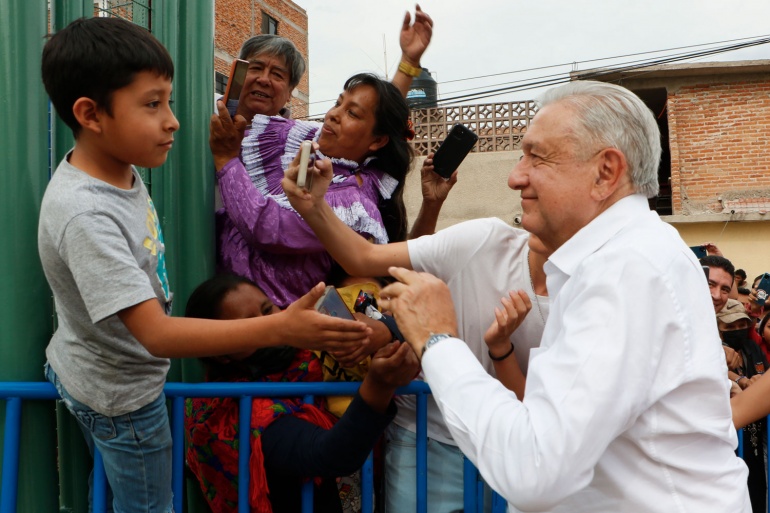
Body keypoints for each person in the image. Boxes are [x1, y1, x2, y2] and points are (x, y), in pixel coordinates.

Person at [38, 17, 370, 512]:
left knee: (109, 493)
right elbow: (156, 335)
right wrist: (281, 326)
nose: (173, 121)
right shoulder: (87, 214)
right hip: (122, 396)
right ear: (90, 114)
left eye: (168, 101)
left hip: (101, 367)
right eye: (153, 105)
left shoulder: (116, 168)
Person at [375, 80, 750, 512]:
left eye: (537, 157)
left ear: (605, 172)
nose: (516, 177)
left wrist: (438, 341)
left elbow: (535, 466)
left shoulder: (626, 267)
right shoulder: (617, 258)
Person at [282, 150, 550, 510]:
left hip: (509, 448)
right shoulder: (485, 239)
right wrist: (312, 206)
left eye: (540, 161)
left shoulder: (601, 290)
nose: (517, 178)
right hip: (425, 437)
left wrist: (498, 349)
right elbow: (365, 258)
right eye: (524, 158)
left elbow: (543, 412)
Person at [213, 6, 446, 310]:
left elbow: (267, 227)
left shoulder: (351, 199)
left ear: (290, 92)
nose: (333, 115)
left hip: (271, 322)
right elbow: (379, 113)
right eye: (337, 103)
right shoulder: (315, 143)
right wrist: (407, 65)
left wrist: (226, 161)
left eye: (278, 74)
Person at [183, 274, 418, 513]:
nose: (270, 322)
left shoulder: (309, 344)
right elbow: (331, 454)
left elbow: (404, 321)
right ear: (221, 352)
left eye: (268, 310)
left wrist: (384, 330)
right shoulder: (232, 411)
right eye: (250, 323)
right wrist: (379, 386)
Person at [716, 300, 767, 513]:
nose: (737, 330)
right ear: (719, 328)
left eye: (741, 325)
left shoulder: (751, 347)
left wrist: (757, 381)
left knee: (757, 484)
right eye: (730, 326)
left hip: (755, 433)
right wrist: (738, 380)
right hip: (728, 436)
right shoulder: (712, 352)